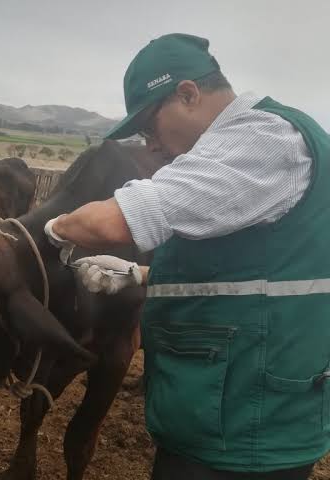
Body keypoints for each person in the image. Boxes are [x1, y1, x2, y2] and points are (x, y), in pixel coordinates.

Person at [45, 33, 330, 479]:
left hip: (244, 428)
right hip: (228, 413)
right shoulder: (253, 147)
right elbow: (255, 273)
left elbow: (112, 223)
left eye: (149, 127)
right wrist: (140, 275)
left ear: (188, 94)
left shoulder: (265, 140)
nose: (151, 145)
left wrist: (51, 230)